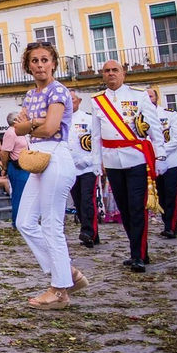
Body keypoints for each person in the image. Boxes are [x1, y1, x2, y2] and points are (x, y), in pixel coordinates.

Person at [11, 42, 86, 310]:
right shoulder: (31, 94)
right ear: (28, 66)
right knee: (24, 222)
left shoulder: (58, 91)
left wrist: (30, 124)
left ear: (53, 63)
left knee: (52, 225)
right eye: (35, 61)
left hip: (56, 156)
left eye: (45, 60)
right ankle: (67, 272)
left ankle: (59, 290)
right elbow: (17, 130)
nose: (40, 65)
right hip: (38, 159)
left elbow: (51, 128)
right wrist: (34, 124)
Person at [88, 60, 164, 273]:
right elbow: (96, 134)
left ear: (123, 74)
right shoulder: (97, 101)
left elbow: (154, 126)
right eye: (107, 71)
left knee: (136, 207)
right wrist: (96, 161)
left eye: (115, 70)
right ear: (102, 75)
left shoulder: (139, 95)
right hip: (112, 161)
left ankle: (138, 255)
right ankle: (139, 251)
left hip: (136, 158)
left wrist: (161, 155)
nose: (111, 74)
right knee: (124, 208)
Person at [147, 87, 177, 239]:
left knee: (172, 195)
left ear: (156, 98)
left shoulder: (169, 114)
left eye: (151, 96)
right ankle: (168, 224)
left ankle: (171, 226)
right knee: (160, 196)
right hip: (151, 162)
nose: (149, 99)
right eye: (146, 97)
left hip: (171, 161)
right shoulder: (140, 116)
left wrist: (160, 151)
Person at [66, 91, 101, 247]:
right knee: (78, 201)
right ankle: (91, 233)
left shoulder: (88, 119)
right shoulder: (61, 120)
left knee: (87, 200)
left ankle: (89, 233)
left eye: (72, 100)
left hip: (88, 167)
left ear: (79, 101)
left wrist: (87, 160)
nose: (69, 103)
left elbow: (97, 143)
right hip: (71, 168)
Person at [0, 111, 29, 222]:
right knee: (19, 194)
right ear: (16, 120)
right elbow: (4, 153)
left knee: (25, 194)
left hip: (25, 165)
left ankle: (24, 220)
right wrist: (5, 167)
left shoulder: (20, 132)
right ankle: (17, 221)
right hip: (17, 167)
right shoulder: (10, 133)